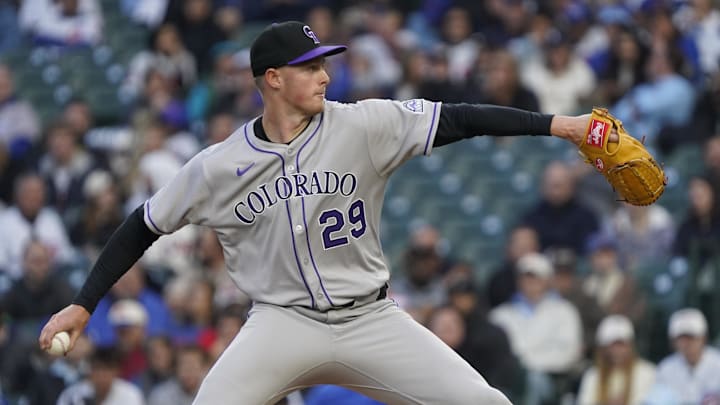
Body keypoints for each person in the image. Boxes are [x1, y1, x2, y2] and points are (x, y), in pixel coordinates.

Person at [40, 20, 614, 404]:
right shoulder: (217, 166)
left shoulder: (362, 124)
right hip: (282, 323)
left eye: (324, 64)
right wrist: (83, 304)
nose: (325, 75)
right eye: (310, 66)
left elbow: (459, 118)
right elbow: (141, 226)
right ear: (273, 78)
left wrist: (560, 126)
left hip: (371, 319)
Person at [576, 315, 656, 405]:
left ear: (630, 346)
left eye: (621, 345)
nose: (616, 351)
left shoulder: (648, 372)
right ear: (603, 349)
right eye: (611, 345)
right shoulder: (592, 375)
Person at [654, 308, 720, 403]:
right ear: (673, 341)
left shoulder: (718, 363)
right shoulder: (665, 368)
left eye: (691, 337)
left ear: (704, 338)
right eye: (681, 338)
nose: (686, 343)